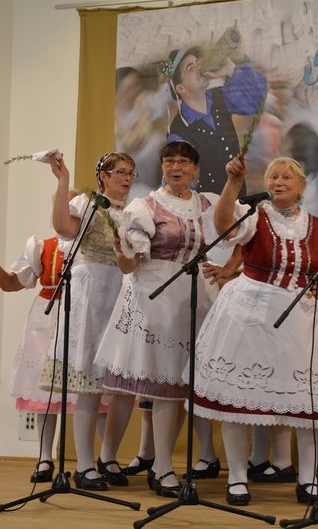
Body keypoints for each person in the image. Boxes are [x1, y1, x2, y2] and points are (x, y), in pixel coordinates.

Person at [192, 156, 318, 506]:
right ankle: (237, 479)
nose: (279, 182)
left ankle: (309, 481)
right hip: (249, 312)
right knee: (238, 398)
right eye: (273, 176)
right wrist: (233, 183)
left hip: (301, 317)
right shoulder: (255, 216)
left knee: (305, 401)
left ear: (301, 187)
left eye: (287, 177)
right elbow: (224, 224)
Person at [93, 140, 225, 497]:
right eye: (169, 162)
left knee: (179, 387)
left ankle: (160, 464)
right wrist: (126, 253)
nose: (175, 167)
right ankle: (158, 467)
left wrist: (229, 268)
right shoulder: (145, 205)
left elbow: (236, 230)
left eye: (182, 162)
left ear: (195, 168)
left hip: (194, 296)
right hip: (155, 295)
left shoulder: (207, 203)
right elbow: (131, 259)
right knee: (160, 383)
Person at [38, 152, 135, 490]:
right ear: (103, 176)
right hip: (92, 291)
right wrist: (63, 180)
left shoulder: (134, 212)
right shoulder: (90, 203)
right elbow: (63, 227)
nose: (126, 177)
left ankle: (107, 456)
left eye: (131, 172)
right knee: (90, 385)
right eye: (119, 172)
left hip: (123, 292)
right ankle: (83, 465)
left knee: (123, 388)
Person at [0, 228, 75, 483]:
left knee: (91, 392)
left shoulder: (94, 245)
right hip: (46, 318)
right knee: (43, 391)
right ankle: (44, 457)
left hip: (81, 316)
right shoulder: (42, 247)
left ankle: (97, 461)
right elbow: (10, 283)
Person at [164, 45, 268, 197]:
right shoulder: (179, 133)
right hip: (208, 209)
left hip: (239, 200)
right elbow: (180, 186)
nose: (199, 67)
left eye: (197, 62)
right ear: (180, 88)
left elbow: (258, 101)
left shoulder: (219, 96)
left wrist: (231, 70)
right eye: (190, 68)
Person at [115, 66, 171, 201]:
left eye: (136, 86)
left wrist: (168, 81)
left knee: (157, 141)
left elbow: (162, 99)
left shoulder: (143, 100)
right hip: (127, 172)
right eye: (128, 89)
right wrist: (130, 147)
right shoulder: (111, 116)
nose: (134, 91)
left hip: (151, 167)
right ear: (117, 92)